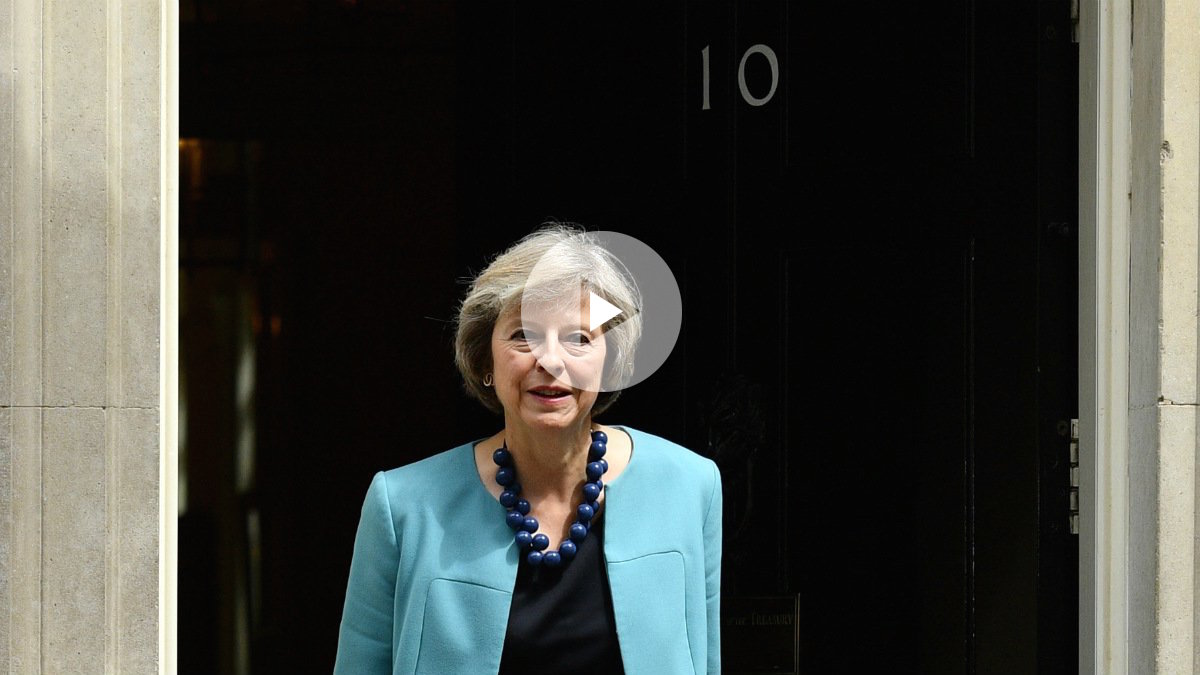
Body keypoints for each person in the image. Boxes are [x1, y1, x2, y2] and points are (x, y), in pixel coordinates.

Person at [334, 223, 723, 674]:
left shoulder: (689, 486)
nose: (550, 360)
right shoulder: (402, 505)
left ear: (609, 361)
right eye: (523, 335)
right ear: (485, 361)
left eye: (579, 337)